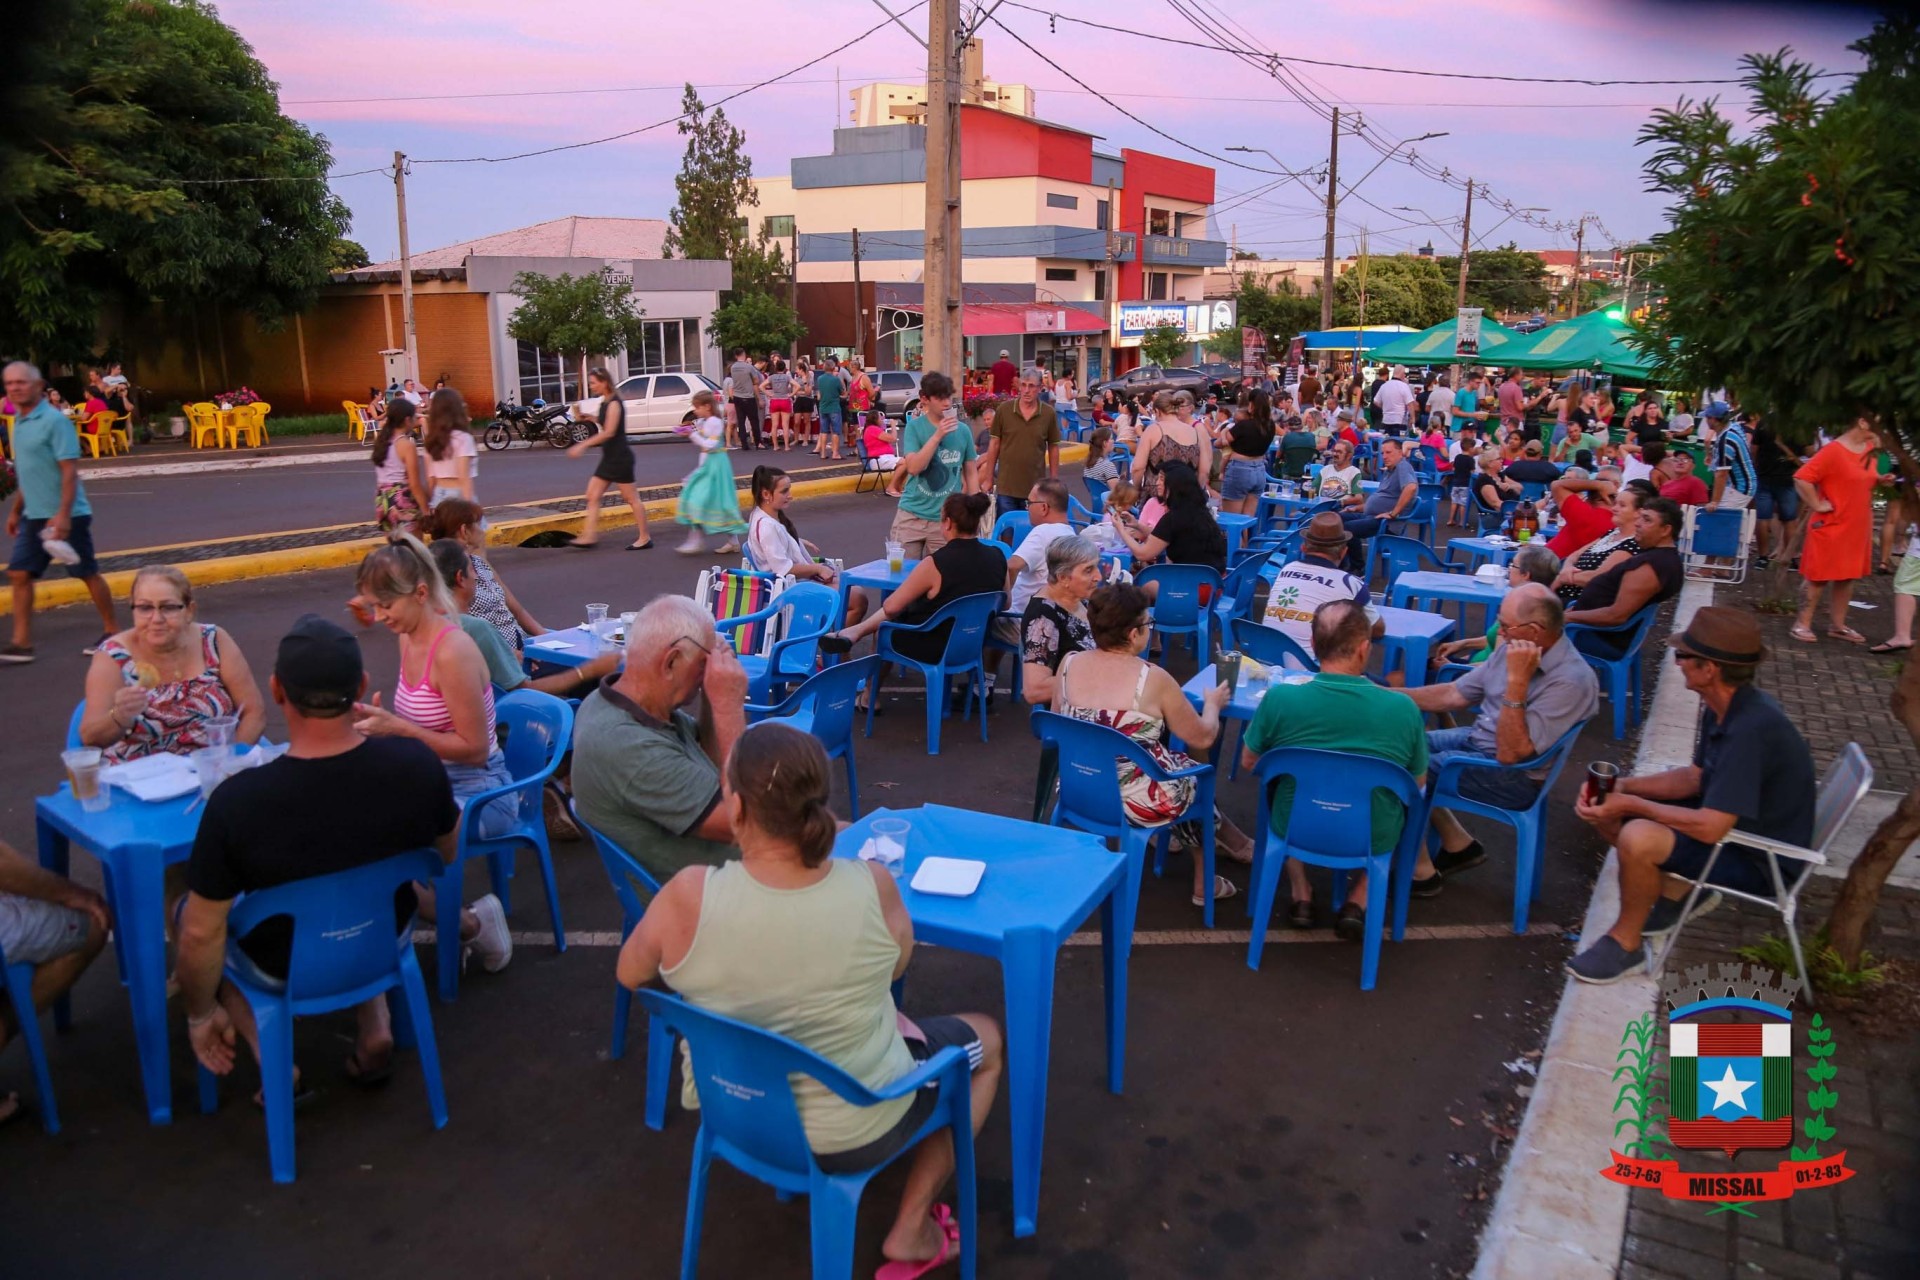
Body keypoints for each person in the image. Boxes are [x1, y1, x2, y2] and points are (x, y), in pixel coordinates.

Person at [616, 723, 1002, 1276]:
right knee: (986, 1039)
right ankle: (912, 1225)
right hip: (855, 1127)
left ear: (737, 805)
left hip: (732, 1110)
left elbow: (631, 975)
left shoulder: (686, 896)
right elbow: (897, 966)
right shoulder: (870, 883)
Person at [177, 615, 509, 1097]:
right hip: (382, 937)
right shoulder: (415, 766)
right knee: (361, 882)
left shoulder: (237, 802)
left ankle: (270, 1056)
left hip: (280, 963)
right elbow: (446, 851)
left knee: (190, 917)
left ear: (276, 690)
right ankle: (375, 1021)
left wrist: (199, 1013)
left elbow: (201, 933)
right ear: (360, 686)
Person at [1567, 607, 1816, 983]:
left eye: (1683, 656)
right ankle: (1677, 893)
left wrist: (1632, 805)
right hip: (1738, 834)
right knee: (1613, 812)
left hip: (1761, 861)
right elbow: (1694, 779)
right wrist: (1623, 787)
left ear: (1709, 668)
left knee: (1637, 837)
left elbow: (1711, 828)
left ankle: (1626, 944)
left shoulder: (1749, 731)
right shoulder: (1726, 707)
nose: (1678, 662)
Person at [1054, 583, 1253, 904]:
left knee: (1173, 767)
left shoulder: (1068, 665)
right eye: (1148, 624)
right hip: (1135, 801)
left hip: (1077, 787)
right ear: (1133, 634)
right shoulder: (1153, 678)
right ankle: (1204, 880)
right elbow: (1202, 736)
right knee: (1194, 778)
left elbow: (1055, 727)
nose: (1150, 629)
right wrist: (1213, 704)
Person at [1241, 599, 1430, 935]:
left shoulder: (1280, 699)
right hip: (1372, 832)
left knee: (1277, 784)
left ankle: (1300, 889)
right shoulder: (1402, 708)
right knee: (1408, 799)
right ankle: (1360, 897)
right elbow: (1416, 783)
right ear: (1364, 649)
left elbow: (1250, 762)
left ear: (1313, 646)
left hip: (1297, 822)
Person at [1398, 584, 1599, 887]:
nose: (1499, 634)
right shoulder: (1514, 646)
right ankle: (1458, 844)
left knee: (1400, 769)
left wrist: (1517, 682)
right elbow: (1455, 693)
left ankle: (1420, 872)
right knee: (1398, 742)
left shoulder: (1572, 681)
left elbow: (1510, 754)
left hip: (1513, 775)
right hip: (1479, 741)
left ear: (1534, 630)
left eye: (1504, 626)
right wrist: (1385, 696)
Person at [348, 535, 520, 874]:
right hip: (431, 780)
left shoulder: (452, 651)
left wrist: (399, 728)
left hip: (482, 794)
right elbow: (427, 728)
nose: (380, 617)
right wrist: (385, 728)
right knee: (346, 814)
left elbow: (475, 751)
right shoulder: (407, 638)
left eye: (386, 605)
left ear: (421, 594)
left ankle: (466, 923)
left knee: (381, 839)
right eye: (374, 606)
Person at [572, 596, 750, 884]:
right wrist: (729, 707)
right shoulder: (629, 747)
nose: (713, 672)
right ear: (671, 661)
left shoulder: (611, 703)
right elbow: (750, 822)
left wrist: (711, 696)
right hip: (717, 896)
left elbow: (709, 757)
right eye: (705, 664)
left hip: (718, 870)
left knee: (836, 830)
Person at [79, 565, 266, 762]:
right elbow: (90, 738)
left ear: (189, 611)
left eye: (168, 607)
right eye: (145, 608)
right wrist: (120, 716)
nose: (156, 618)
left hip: (214, 771)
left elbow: (254, 712)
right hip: (138, 780)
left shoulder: (213, 640)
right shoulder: (113, 656)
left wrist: (230, 763)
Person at [3, 361, 117, 663]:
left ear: (39, 387)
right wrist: (16, 511)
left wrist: (63, 515)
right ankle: (21, 643)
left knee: (86, 573)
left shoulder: (55, 422)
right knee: (19, 573)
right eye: (9, 383)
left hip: (69, 515)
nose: (14, 388)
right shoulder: (20, 424)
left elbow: (68, 472)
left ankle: (113, 632)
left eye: (21, 382)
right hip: (34, 516)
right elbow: (30, 474)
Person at [825, 493, 1004, 673]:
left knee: (886, 626)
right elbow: (1006, 602)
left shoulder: (935, 563)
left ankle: (869, 696)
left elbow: (891, 607)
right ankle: (855, 631)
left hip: (936, 646)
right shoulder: (998, 555)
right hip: (976, 642)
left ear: (948, 523)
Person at [426, 539, 615, 700]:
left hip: (498, 695)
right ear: (461, 578)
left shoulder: (429, 623)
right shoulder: (477, 628)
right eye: (471, 569)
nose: (476, 576)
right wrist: (589, 670)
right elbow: (524, 689)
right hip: (516, 710)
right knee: (604, 678)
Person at [1791, 415, 1881, 645]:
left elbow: (1858, 479)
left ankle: (1838, 625)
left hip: (1856, 525)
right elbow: (1802, 478)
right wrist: (1817, 504)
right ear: (1862, 422)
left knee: (1847, 575)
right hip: (1832, 524)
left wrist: (1881, 479)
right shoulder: (1833, 451)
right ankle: (1802, 623)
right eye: (1877, 420)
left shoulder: (1869, 449)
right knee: (1818, 575)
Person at [420, 499, 549, 655]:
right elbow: (466, 632)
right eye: (478, 524)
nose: (483, 530)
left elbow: (517, 611)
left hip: (522, 645)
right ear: (464, 531)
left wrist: (548, 639)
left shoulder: (480, 563)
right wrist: (512, 656)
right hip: (500, 659)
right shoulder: (448, 574)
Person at [744, 466, 869, 626]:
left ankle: (832, 640)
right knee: (858, 599)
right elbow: (783, 569)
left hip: (792, 585)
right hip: (788, 591)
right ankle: (834, 646)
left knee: (852, 591)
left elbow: (774, 542)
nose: (790, 496)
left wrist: (798, 541)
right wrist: (817, 569)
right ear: (766, 494)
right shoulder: (767, 526)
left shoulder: (761, 516)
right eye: (784, 492)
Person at [1565, 497, 1686, 656]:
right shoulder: (1660, 557)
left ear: (1665, 530)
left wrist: (1567, 617)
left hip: (1595, 636)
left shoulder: (1650, 567)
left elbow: (1616, 616)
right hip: (1590, 627)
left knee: (1528, 632)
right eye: (1640, 517)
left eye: (1647, 520)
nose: (1637, 523)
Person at [889, 372, 977, 559]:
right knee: (902, 577)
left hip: (946, 521)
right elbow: (913, 467)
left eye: (948, 397)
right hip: (911, 516)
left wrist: (974, 510)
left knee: (942, 579)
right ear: (924, 399)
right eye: (940, 397)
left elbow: (971, 472)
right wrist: (937, 435)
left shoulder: (963, 431)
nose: (946, 403)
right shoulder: (915, 427)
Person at [1260, 513, 1374, 658]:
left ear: (1303, 548)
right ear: (1344, 551)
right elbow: (1377, 629)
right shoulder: (1351, 584)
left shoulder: (1286, 569)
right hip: (1312, 670)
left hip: (1264, 661)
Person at [1432, 544, 1562, 668]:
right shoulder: (1540, 603)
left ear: (1525, 574)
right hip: (1474, 668)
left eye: (1513, 565)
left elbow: (1497, 666)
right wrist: (1463, 644)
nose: (1509, 569)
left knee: (1420, 669)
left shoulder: (1521, 612)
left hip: (1473, 677)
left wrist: (1451, 667)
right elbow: (1496, 639)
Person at [566, 368, 652, 550]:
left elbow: (610, 432)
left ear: (604, 382)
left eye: (594, 383)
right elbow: (607, 422)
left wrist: (582, 445)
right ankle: (589, 536)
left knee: (631, 499)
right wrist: (592, 417)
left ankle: (645, 537)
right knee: (592, 495)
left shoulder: (614, 403)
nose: (592, 386)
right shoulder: (605, 402)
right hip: (609, 458)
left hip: (620, 458)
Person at [1019, 534, 1100, 706]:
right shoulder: (1043, 618)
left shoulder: (1079, 599)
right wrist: (1104, 677)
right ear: (1063, 577)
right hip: (1074, 712)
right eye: (1088, 570)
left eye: (1096, 567)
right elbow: (1035, 690)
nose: (1098, 576)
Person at [1111, 462, 1227, 577]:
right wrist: (1137, 525)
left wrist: (1120, 529)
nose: (1157, 483)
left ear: (1174, 484)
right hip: (1215, 582)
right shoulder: (1201, 512)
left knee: (1140, 582)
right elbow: (1161, 537)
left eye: (1162, 479)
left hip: (1190, 586)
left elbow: (1143, 554)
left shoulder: (1172, 518)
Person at [674, 389, 746, 556]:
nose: (695, 410)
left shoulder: (714, 421)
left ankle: (696, 541)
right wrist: (690, 433)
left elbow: (710, 445)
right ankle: (730, 541)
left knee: (699, 499)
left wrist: (692, 434)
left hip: (715, 466)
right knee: (714, 501)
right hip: (710, 465)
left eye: (697, 407)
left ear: (707, 406)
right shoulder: (708, 421)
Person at [1553, 482, 1653, 603]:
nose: (1614, 508)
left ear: (1638, 513)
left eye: (1622, 505)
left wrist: (1562, 579)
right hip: (1563, 591)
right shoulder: (1612, 532)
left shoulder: (1632, 543)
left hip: (1580, 602)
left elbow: (1599, 577)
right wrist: (1567, 569)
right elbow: (1575, 555)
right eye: (1615, 503)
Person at [980, 371, 1060, 520]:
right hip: (1006, 487)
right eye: (1023, 385)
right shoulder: (1004, 410)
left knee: (1031, 534)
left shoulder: (1048, 414)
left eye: (1031, 386)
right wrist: (988, 477)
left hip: (1035, 489)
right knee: (1007, 533)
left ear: (1040, 388)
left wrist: (1054, 480)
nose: (1026, 390)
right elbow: (994, 444)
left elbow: (1054, 446)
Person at [1338, 437, 1418, 573]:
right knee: (1335, 519)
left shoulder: (1402, 466)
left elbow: (1411, 487)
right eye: (1382, 453)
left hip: (1386, 522)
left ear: (1400, 453)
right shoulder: (1389, 470)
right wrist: (1357, 508)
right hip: (1371, 515)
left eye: (1388, 452)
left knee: (1347, 530)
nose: (1384, 456)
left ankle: (1357, 568)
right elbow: (1381, 499)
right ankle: (1342, 564)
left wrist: (1394, 513)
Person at [1004, 477, 1078, 620]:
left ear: (1043, 508)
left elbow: (1011, 567)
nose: (1027, 508)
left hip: (1020, 619)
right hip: (1049, 619)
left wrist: (1003, 603)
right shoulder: (1071, 535)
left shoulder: (1044, 532)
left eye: (1029, 503)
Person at [1130, 389, 1211, 506]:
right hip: (1187, 498)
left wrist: (1136, 490)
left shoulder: (1154, 430)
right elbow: (1204, 470)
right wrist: (1195, 492)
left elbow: (1138, 467)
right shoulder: (1195, 431)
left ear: (1157, 411)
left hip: (1157, 498)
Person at [369, 396, 431, 536]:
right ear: (407, 420)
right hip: (401, 499)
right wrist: (426, 510)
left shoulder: (382, 441)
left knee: (396, 551)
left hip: (383, 499)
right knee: (414, 551)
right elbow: (414, 484)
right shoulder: (406, 445)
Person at [1750, 415, 1803, 569]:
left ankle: (1762, 558)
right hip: (1787, 478)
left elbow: (1754, 449)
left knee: (1763, 518)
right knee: (1789, 520)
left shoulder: (1765, 422)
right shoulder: (1798, 424)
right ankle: (1791, 558)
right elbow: (1809, 450)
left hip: (1765, 476)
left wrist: (1758, 467)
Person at [1218, 389, 1274, 516]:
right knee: (1246, 520)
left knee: (1232, 520)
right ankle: (1246, 537)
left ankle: (1238, 537)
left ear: (1251, 405)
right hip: (1259, 469)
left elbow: (1220, 443)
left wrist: (1224, 432)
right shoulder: (1270, 425)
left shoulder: (1243, 426)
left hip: (1240, 468)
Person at [421, 388, 480, 508]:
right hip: (458, 495)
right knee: (474, 527)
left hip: (438, 494)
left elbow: (431, 480)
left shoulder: (431, 440)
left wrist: (427, 508)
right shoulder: (463, 438)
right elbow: (463, 478)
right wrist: (470, 509)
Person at [1547, 467, 1621, 561]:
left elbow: (1556, 485)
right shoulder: (1622, 523)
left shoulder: (1586, 515)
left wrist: (1599, 485)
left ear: (1589, 499)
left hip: (1550, 565)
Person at [1708, 407, 1756, 512]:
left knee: (1719, 518)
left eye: (1707, 417)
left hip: (1740, 488)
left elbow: (1722, 474)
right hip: (1743, 485)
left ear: (1714, 420)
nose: (1706, 420)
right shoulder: (1732, 427)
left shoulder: (1726, 440)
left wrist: (1715, 502)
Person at [727, 348, 764, 450]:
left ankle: (744, 444)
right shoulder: (749, 367)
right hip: (748, 396)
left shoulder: (733, 367)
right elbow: (755, 381)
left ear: (735, 356)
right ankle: (758, 443)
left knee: (741, 421)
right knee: (754, 420)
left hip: (737, 396)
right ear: (744, 354)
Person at [813, 359, 844, 460]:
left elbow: (819, 393)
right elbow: (842, 392)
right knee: (835, 431)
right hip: (834, 407)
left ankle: (823, 453)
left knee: (823, 431)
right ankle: (835, 453)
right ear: (833, 368)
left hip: (823, 407)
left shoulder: (820, 379)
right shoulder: (836, 379)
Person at [1277, 413, 1319, 482]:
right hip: (1306, 474)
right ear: (1301, 426)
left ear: (1289, 427)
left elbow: (1278, 456)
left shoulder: (1287, 437)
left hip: (1288, 474)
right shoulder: (1311, 436)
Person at [1374, 366, 1415, 434]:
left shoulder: (1384, 386)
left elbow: (1376, 401)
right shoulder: (1404, 386)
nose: (1405, 375)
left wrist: (1384, 407)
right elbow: (1410, 404)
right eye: (1404, 373)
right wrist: (1413, 418)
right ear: (1401, 374)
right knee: (1398, 442)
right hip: (1400, 421)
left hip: (1386, 420)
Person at [764, 359, 795, 450]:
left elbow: (761, 386)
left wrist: (768, 394)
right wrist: (792, 394)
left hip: (775, 400)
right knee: (785, 425)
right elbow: (796, 385)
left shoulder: (771, 377)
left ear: (776, 368)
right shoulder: (786, 377)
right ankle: (786, 446)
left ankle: (775, 446)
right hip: (785, 400)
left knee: (774, 425)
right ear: (784, 368)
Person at [1082, 428, 1121, 493]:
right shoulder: (1108, 466)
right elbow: (1117, 492)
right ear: (1105, 443)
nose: (1113, 441)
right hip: (1108, 501)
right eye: (1111, 438)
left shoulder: (1088, 464)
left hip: (1097, 501)